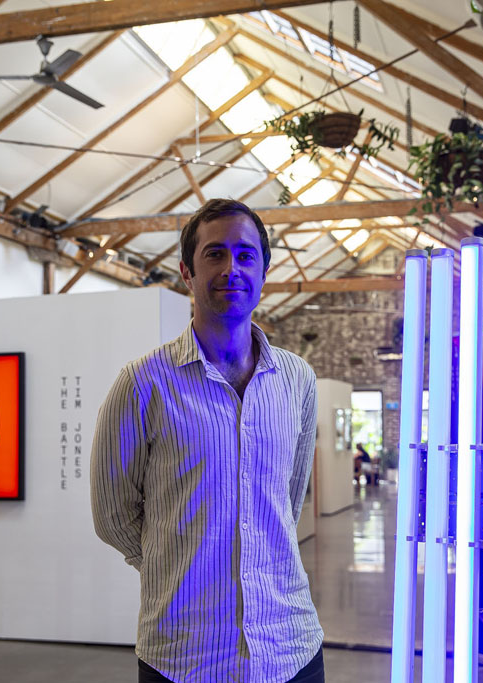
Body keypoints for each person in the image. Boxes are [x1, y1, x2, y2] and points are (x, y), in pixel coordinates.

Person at [91, 198, 324, 683]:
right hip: (185, 654)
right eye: (214, 254)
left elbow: (288, 498)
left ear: (264, 271)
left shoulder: (297, 379)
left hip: (290, 647)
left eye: (245, 255)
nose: (231, 268)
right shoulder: (143, 383)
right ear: (187, 272)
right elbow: (112, 515)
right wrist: (175, 561)